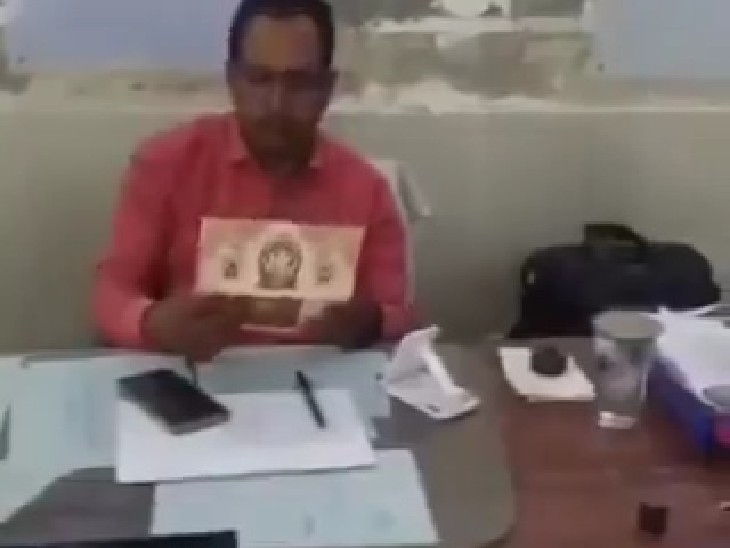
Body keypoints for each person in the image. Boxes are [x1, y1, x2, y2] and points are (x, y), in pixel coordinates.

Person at [92, 0, 418, 361]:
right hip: (195, 378)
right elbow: (112, 292)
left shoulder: (367, 190)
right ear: (232, 80)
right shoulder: (165, 166)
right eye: (259, 79)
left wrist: (372, 322)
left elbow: (400, 314)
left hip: (323, 383)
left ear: (327, 88)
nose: (276, 104)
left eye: (299, 83)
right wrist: (152, 323)